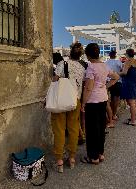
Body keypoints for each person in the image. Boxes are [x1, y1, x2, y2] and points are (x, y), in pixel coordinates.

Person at [81, 43, 119, 164]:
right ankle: (100, 153)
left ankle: (93, 157)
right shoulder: (104, 66)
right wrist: (105, 86)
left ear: (88, 55)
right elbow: (116, 77)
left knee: (92, 129)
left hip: (92, 101)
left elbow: (88, 88)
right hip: (103, 99)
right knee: (101, 127)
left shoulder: (91, 67)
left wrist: (83, 103)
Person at [51, 42, 86, 173]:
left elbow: (55, 81)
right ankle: (72, 158)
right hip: (75, 101)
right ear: (80, 55)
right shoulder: (82, 67)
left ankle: (59, 160)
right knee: (73, 128)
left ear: (70, 53)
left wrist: (47, 98)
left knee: (59, 129)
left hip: (61, 100)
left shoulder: (62, 64)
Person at [119, 49, 136, 126]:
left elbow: (124, 72)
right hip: (135, 83)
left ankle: (133, 120)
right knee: (133, 102)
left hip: (128, 83)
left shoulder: (128, 62)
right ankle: (133, 118)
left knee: (131, 102)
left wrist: (116, 73)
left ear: (127, 54)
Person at [105, 50, 123, 124]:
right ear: (115, 55)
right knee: (116, 99)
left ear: (109, 55)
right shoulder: (118, 62)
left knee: (107, 100)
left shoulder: (106, 63)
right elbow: (123, 70)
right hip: (117, 82)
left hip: (108, 82)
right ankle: (113, 115)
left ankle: (109, 114)